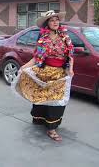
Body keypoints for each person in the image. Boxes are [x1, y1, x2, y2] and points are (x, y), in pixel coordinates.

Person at [19, 10, 74, 141]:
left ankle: (52, 128)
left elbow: (71, 55)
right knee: (43, 98)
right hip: (44, 73)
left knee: (57, 101)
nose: (55, 22)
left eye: (56, 20)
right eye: (52, 20)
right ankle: (41, 120)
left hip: (59, 74)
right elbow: (36, 58)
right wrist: (24, 67)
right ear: (47, 23)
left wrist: (70, 69)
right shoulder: (43, 39)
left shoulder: (65, 37)